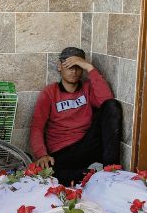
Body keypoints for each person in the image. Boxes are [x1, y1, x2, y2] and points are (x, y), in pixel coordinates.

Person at [30, 47, 122, 185]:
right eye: (69, 66)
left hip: (87, 145)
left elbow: (107, 102)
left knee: (113, 105)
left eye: (78, 67)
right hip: (63, 151)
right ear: (60, 67)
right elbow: (37, 126)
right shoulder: (50, 92)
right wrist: (42, 154)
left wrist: (89, 67)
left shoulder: (87, 88)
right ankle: (89, 174)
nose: (74, 71)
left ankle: (110, 169)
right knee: (48, 175)